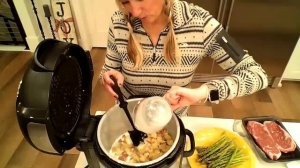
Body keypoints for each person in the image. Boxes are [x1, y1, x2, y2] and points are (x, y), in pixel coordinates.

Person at [100, 0, 268, 116]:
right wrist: (108, 77)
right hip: (129, 115)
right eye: (125, 1)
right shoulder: (118, 21)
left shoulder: (200, 23)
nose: (135, 12)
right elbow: (108, 71)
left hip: (173, 119)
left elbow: (257, 75)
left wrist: (204, 92)